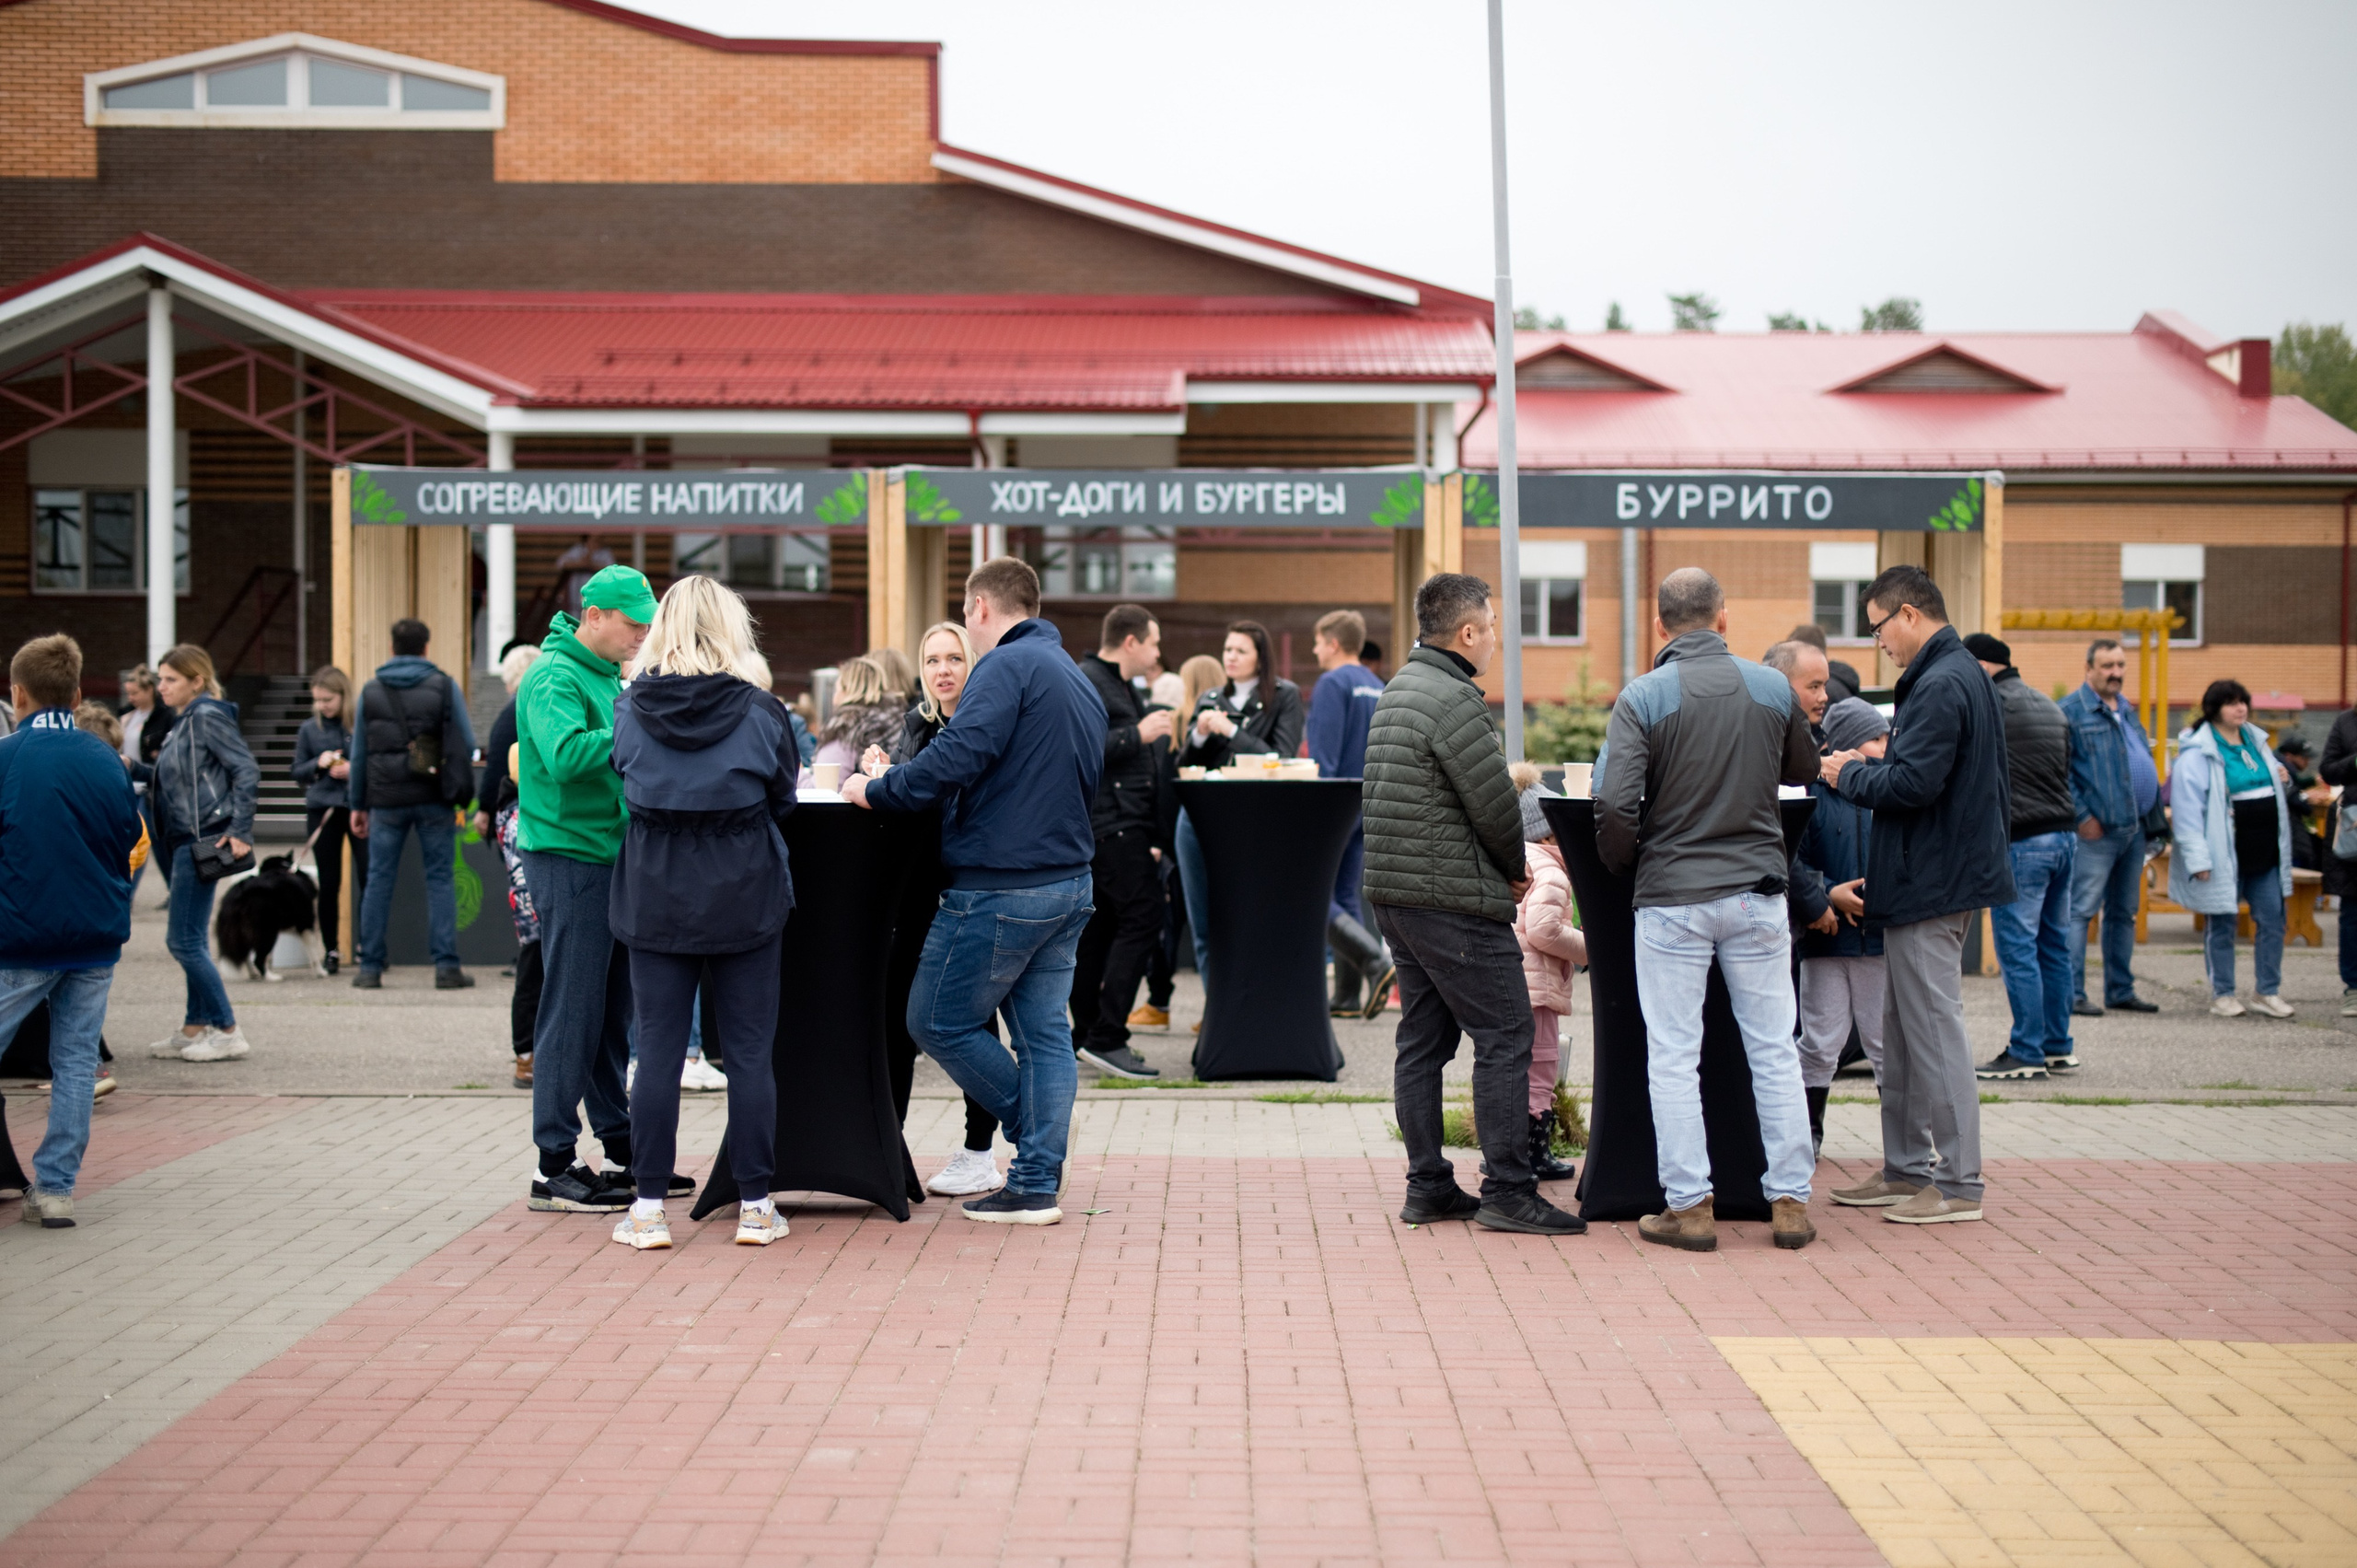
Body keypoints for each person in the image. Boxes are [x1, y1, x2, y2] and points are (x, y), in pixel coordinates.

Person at [844, 556, 1103, 1225]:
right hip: (1068, 883)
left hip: (1000, 887)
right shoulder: (1075, 676)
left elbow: (957, 754)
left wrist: (874, 790)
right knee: (1046, 1035)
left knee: (933, 1017)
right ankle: (1036, 1180)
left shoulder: (1006, 668)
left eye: (965, 614)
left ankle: (1036, 1131)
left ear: (981, 608)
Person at [1596, 569, 1820, 1252]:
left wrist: (1623, 862)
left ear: (1662, 625)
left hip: (1672, 897)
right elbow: (1804, 771)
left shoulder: (1643, 696)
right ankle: (1790, 1203)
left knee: (1671, 1053)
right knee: (1775, 1050)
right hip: (1757, 891)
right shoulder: (1772, 687)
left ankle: (1690, 1207)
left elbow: (1612, 804)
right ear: (1723, 618)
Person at [1365, 572, 1581, 1236]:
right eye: (1490, 626)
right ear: (1467, 632)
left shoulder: (1400, 689)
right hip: (1451, 902)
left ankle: (1428, 1183)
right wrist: (1517, 871)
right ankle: (1509, 1189)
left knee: (1423, 1041)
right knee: (1508, 1032)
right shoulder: (1456, 700)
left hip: (1398, 897)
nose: (1494, 638)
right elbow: (1493, 805)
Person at [605, 576, 801, 1250]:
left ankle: (648, 1206)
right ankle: (754, 1204)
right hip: (744, 890)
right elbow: (784, 795)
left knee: (656, 1050)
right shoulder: (761, 710)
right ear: (731, 626)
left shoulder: (629, 707)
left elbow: (624, 777)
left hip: (656, 894)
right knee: (750, 1053)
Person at [1820, 566, 2014, 1225]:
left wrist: (1851, 773)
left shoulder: (1940, 681)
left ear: (1907, 614)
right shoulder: (1957, 674)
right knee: (1900, 1034)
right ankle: (1906, 1169)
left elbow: (1912, 785)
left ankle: (1960, 1183)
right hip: (1923, 880)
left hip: (1931, 883)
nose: (1879, 642)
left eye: (1878, 627)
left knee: (1932, 1031)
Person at [517, 564, 657, 1214]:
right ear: (593, 614)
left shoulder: (600, 673)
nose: (641, 636)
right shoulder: (552, 675)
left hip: (604, 854)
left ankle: (623, 1145)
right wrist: (639, 725)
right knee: (572, 1010)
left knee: (607, 1013)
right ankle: (554, 1164)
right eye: (633, 624)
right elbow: (567, 755)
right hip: (572, 857)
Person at [0, 635, 146, 1228]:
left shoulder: (6, 758)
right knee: (75, 1063)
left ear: (17, 693)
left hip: (19, 936)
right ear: (79, 693)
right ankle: (55, 1188)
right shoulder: (106, 760)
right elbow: (128, 842)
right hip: (94, 936)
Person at [874, 621, 1007, 1198]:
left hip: (969, 888)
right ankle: (888, 1144)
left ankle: (981, 1150)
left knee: (971, 1021)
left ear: (972, 665)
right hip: (915, 893)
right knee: (895, 1021)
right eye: (933, 660)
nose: (943, 670)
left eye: (955, 657)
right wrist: (887, 774)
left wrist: (897, 781)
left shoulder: (984, 723)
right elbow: (907, 804)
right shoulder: (917, 723)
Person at [1967, 633, 2081, 1081]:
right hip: (2064, 838)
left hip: (2023, 843)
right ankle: (2057, 1044)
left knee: (2017, 948)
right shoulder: (2049, 705)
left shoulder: (1993, 706)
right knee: (2054, 946)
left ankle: (2026, 1050)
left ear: (1981, 665)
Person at [1068, 603, 1175, 1081]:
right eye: (1152, 643)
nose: (1156, 654)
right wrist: (1139, 733)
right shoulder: (1091, 680)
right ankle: (1107, 1036)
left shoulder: (1113, 682)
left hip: (1115, 825)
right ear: (1130, 641)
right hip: (1110, 826)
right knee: (1144, 916)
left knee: (1100, 930)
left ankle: (1087, 1034)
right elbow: (1077, 748)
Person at [349, 620, 477, 991]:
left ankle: (370, 967)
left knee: (378, 880)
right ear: (426, 647)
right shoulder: (443, 685)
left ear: (392, 648)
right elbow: (466, 741)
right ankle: (446, 967)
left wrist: (358, 804)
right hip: (434, 795)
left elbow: (358, 753)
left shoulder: (371, 691)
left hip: (385, 800)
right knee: (440, 878)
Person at [1175, 623, 1304, 984]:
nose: (1230, 657)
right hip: (1201, 815)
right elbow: (1184, 766)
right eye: (1227, 649)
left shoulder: (1284, 696)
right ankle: (1216, 1011)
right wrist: (1199, 734)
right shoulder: (1210, 699)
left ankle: (1253, 1005)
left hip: (1256, 818)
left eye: (1240, 651)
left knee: (1253, 918)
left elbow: (1282, 756)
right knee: (1204, 919)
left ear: (1261, 658)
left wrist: (1231, 732)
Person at [146, 644, 258, 1063]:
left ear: (197, 680)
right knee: (190, 938)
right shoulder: (186, 721)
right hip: (189, 839)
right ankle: (195, 1026)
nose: (162, 687)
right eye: (160, 679)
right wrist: (133, 769)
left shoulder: (206, 716)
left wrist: (241, 828)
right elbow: (180, 783)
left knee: (183, 940)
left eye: (171, 679)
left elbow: (246, 768)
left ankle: (227, 1030)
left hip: (203, 840)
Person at [1794, 697, 1888, 1154]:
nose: (1886, 746)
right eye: (1876, 738)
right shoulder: (1812, 795)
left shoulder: (1888, 795)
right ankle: (1807, 1130)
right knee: (1819, 1042)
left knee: (1886, 1045)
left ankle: (1904, 1142)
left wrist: (1883, 901)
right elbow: (1796, 859)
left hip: (1878, 945)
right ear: (1847, 744)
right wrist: (1827, 893)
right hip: (1827, 941)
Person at [2170, 679, 2295, 1018]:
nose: (2240, 708)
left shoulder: (2256, 741)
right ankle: (2222, 993)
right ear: (2214, 709)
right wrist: (2198, 859)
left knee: (2273, 921)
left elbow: (2274, 787)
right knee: (2222, 925)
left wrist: (2283, 779)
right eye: (2231, 703)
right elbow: (2186, 811)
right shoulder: (2198, 752)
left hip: (2265, 852)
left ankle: (2266, 992)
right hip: (2226, 855)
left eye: (2243, 702)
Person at [2060, 638, 2160, 1015]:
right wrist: (2082, 816)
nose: (2115, 673)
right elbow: (2060, 771)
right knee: (2080, 911)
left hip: (2133, 830)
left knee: (2124, 912)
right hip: (2095, 833)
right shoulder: (2071, 711)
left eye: (2120, 665)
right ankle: (2072, 994)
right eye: (2107, 666)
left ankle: (2120, 990)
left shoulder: (2128, 710)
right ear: (2088, 670)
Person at [1307, 608, 1394, 1018]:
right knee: (1345, 895)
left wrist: (1316, 809)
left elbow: (1322, 753)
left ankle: (1374, 962)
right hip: (1370, 802)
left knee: (1311, 893)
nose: (1314, 650)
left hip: (1333, 803)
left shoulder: (1331, 683)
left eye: (1318, 642)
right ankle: (1345, 997)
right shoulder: (1378, 686)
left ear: (1334, 643)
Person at [1134, 652, 1225, 1028]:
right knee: (1214, 926)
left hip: (1176, 840)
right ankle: (1215, 1009)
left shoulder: (1174, 730)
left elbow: (1162, 791)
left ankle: (1159, 1003)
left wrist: (1158, 840)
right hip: (1216, 838)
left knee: (1173, 926)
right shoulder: (1219, 730)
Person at [1509, 764, 1584, 1182]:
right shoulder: (1551, 870)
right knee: (1542, 1066)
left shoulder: (1520, 860)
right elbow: (1544, 930)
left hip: (1516, 982)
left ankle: (1511, 1149)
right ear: (1549, 833)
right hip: (1537, 987)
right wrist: (1590, 948)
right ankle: (1535, 1153)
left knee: (1518, 1067)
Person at [478, 643, 540, 1089]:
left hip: (522, 828)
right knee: (536, 948)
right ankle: (527, 1054)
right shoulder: (520, 710)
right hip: (525, 831)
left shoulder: (522, 706)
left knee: (535, 949)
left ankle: (529, 1052)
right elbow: (498, 765)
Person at [290, 666, 355, 976]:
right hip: (324, 809)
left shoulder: (359, 725)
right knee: (329, 882)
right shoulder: (309, 729)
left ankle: (368, 947)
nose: (322, 706)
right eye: (317, 700)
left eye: (327, 699)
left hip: (357, 807)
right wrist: (318, 762)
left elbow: (373, 763)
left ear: (343, 696)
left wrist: (352, 769)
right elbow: (297, 772)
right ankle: (331, 949)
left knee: (368, 878)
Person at [811, 655, 902, 777]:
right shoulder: (897, 719)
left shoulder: (845, 726)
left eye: (837, 690)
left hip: (854, 795)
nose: (834, 699)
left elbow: (826, 786)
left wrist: (797, 774)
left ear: (847, 691)